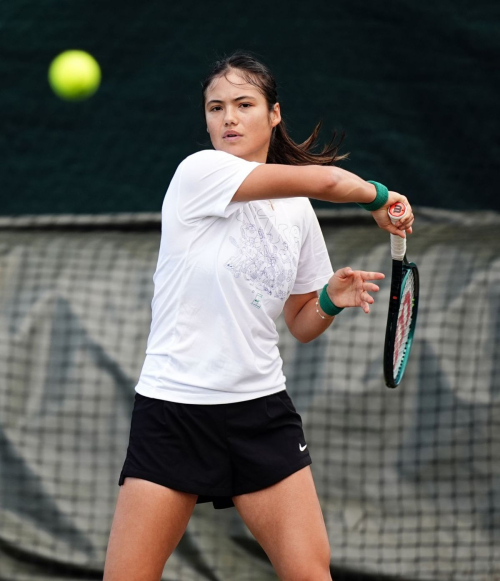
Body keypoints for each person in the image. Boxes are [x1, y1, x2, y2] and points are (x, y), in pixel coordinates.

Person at [103, 51, 414, 581]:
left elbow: (299, 322)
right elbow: (330, 184)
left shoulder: (295, 210)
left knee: (311, 574)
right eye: (215, 107)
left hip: (261, 413)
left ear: (273, 114)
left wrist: (329, 301)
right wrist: (381, 197)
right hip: (176, 410)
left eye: (244, 104)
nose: (228, 118)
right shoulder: (197, 173)